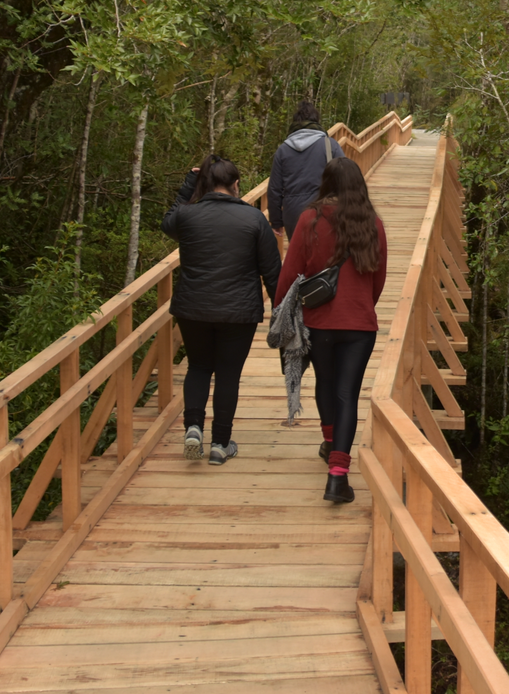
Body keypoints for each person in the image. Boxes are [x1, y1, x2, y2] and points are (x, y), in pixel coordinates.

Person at [274, 157, 387, 503]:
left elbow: (291, 272)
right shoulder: (373, 223)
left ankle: (328, 441)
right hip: (360, 324)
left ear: (325, 183)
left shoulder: (309, 220)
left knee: (325, 382)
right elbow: (379, 278)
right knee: (347, 394)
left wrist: (280, 311)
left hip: (318, 321)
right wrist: (363, 305)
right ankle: (338, 475)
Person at [161, 155, 281, 465]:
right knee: (229, 374)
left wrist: (189, 185)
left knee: (199, 367)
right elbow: (272, 271)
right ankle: (220, 444)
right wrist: (282, 313)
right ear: (236, 185)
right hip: (238, 312)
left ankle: (193, 428)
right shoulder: (255, 220)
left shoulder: (188, 216)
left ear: (205, 184)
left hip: (192, 308)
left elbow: (168, 221)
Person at [268, 101, 344, 239]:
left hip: (293, 213)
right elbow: (345, 178)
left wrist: (276, 220)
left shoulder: (283, 150)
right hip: (324, 209)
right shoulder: (329, 145)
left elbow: (275, 189)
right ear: (317, 122)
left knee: (299, 255)